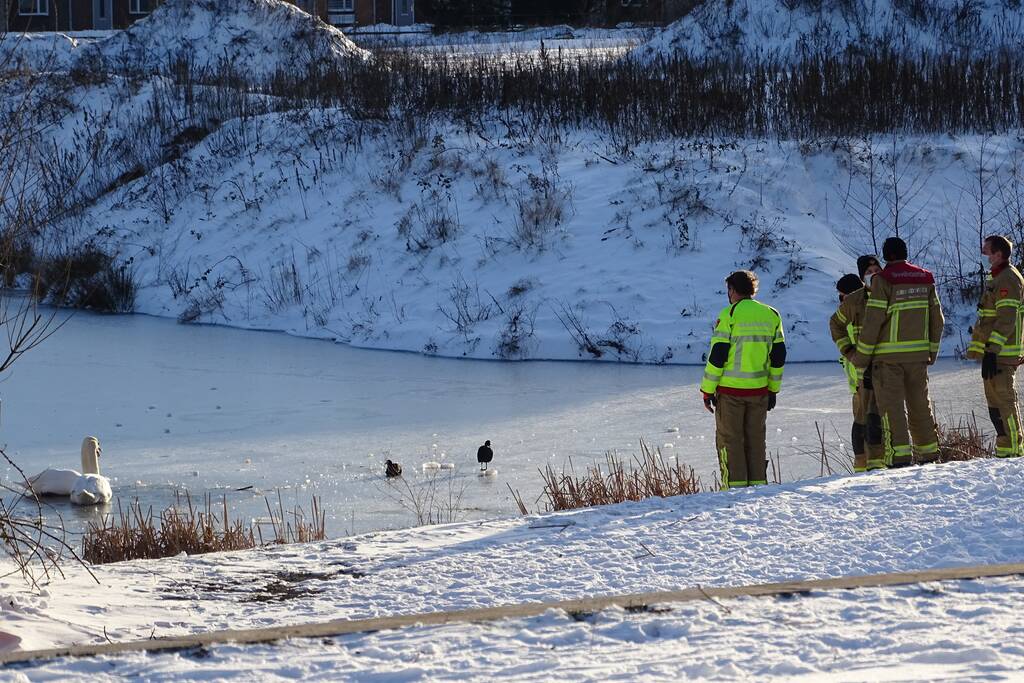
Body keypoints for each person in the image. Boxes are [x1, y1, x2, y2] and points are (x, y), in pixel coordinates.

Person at [853, 237, 944, 467]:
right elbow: (938, 320)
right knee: (920, 406)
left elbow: (873, 322)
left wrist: (861, 358)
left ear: (887, 257)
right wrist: (931, 351)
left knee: (892, 410)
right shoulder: (926, 278)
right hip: (918, 357)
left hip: (888, 360)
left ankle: (900, 458)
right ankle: (930, 454)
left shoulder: (883, 281)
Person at [700, 270, 786, 490]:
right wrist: (773, 389)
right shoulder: (772, 315)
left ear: (732, 290)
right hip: (759, 391)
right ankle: (758, 487)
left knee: (731, 442)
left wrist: (707, 390)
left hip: (730, 393)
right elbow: (778, 356)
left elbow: (718, 355)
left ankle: (734, 489)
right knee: (756, 441)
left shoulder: (729, 314)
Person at [966, 235, 1024, 458]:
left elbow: (1006, 319)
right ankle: (1004, 447)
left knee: (1004, 400)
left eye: (988, 250)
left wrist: (991, 349)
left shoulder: (1008, 279)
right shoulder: (999, 277)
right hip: (993, 353)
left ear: (999, 253)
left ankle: (1013, 448)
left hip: (1000, 354)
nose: (984, 254)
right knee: (995, 403)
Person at [828, 257, 885, 472]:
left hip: (861, 379)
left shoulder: (852, 312)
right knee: (868, 422)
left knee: (864, 422)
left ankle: (865, 464)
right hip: (865, 377)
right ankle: (869, 463)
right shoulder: (855, 312)